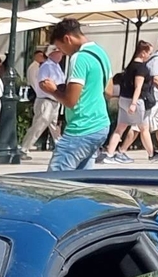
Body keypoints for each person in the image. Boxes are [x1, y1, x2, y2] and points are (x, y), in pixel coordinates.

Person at [47, 17, 112, 172]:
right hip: (101, 125)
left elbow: (70, 101)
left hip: (81, 127)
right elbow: (109, 91)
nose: (62, 53)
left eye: (60, 47)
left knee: (54, 181)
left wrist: (52, 90)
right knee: (80, 182)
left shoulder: (78, 58)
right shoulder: (100, 52)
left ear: (67, 39)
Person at [25, 43, 66, 151]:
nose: (61, 55)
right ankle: (24, 148)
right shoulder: (46, 66)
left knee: (54, 127)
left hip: (54, 100)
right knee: (39, 125)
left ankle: (61, 147)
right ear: (52, 54)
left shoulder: (57, 67)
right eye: (59, 52)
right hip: (46, 100)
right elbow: (42, 84)